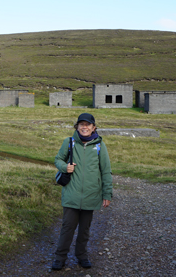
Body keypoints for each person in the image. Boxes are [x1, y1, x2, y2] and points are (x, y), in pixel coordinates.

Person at [52, 113, 113, 270]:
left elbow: (106, 171)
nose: (84, 127)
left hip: (91, 196)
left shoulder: (100, 146)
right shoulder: (69, 142)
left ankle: (82, 256)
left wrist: (107, 194)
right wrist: (65, 167)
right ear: (77, 126)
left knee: (84, 231)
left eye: (88, 124)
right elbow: (57, 159)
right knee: (67, 229)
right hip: (71, 194)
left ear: (93, 127)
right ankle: (60, 258)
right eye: (81, 124)